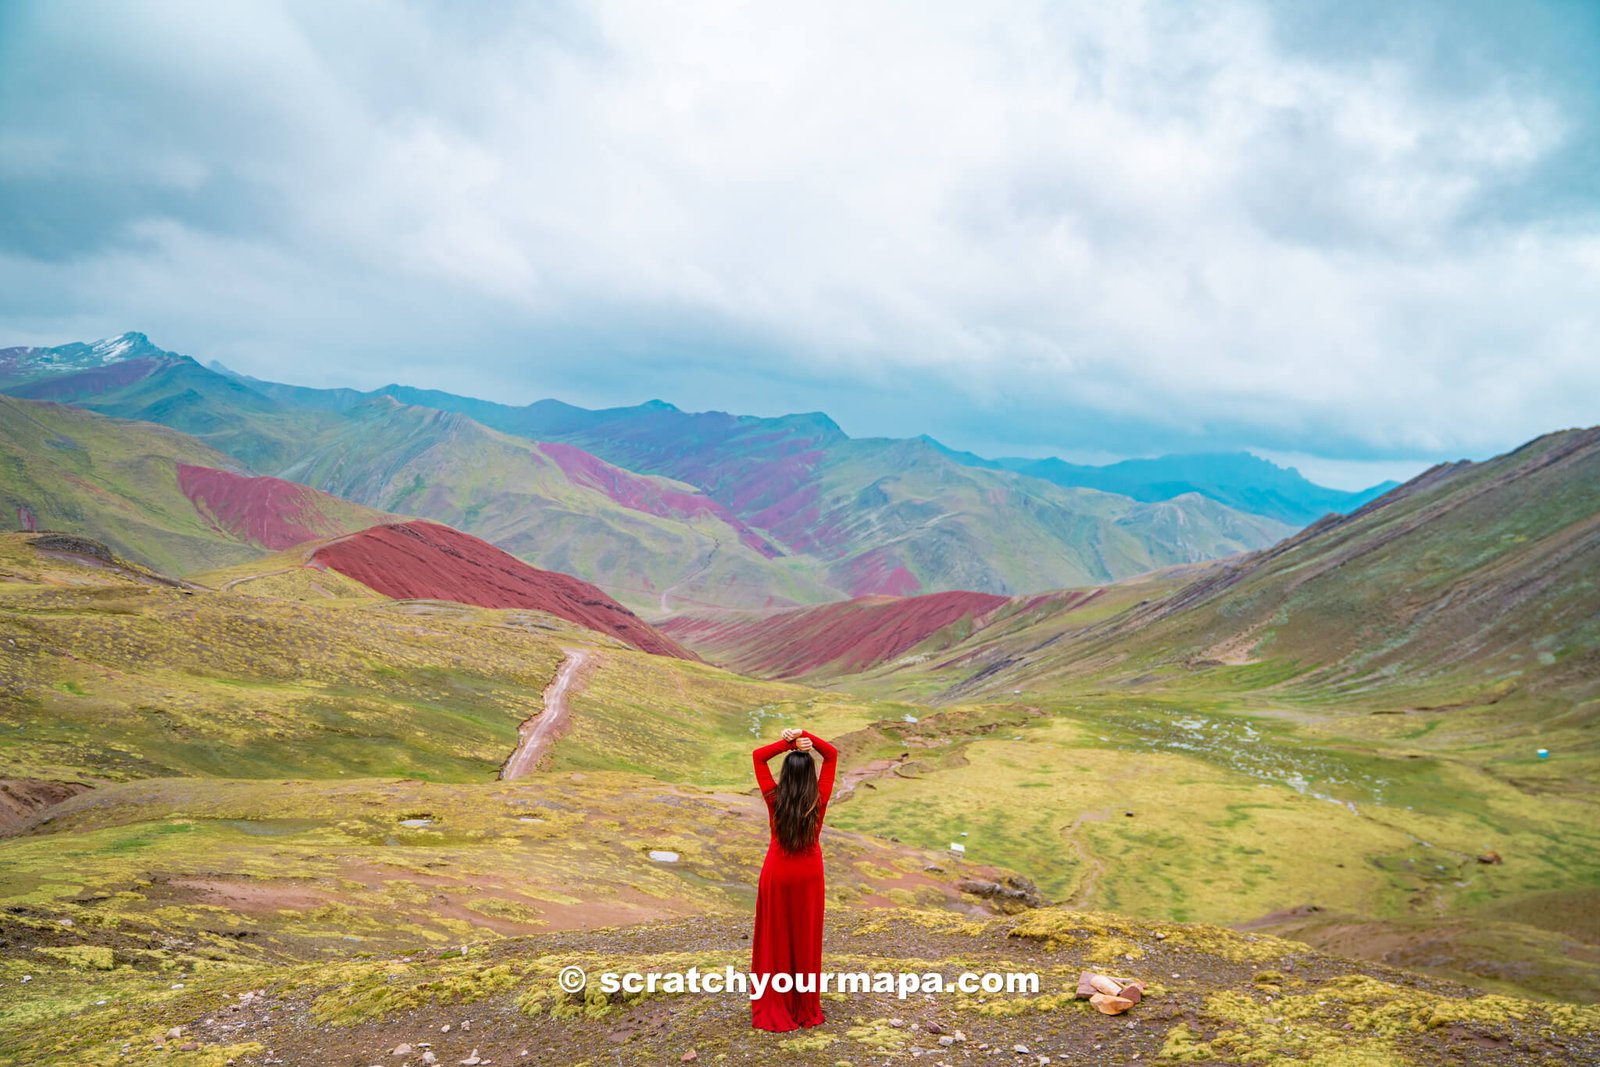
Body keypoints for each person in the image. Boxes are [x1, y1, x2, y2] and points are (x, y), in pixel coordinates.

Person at [749, 726, 838, 1031]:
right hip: (809, 875)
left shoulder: (774, 798)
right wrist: (807, 736)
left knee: (776, 938)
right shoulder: (819, 799)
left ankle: (776, 1002)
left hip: (777, 872)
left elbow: (758, 758)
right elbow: (832, 754)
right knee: (805, 938)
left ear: (785, 776)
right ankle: (804, 1007)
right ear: (811, 777)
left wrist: (787, 743)